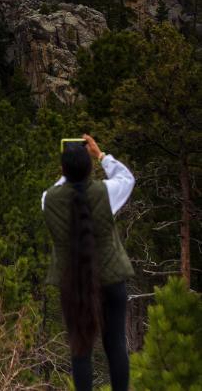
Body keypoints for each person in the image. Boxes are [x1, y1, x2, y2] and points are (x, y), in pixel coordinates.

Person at [42, 134, 136, 391]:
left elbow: (58, 188)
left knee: (80, 348)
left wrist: (67, 171)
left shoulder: (48, 199)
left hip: (73, 282)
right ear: (89, 168)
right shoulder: (105, 192)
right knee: (115, 345)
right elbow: (127, 179)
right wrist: (101, 155)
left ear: (62, 169)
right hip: (111, 279)